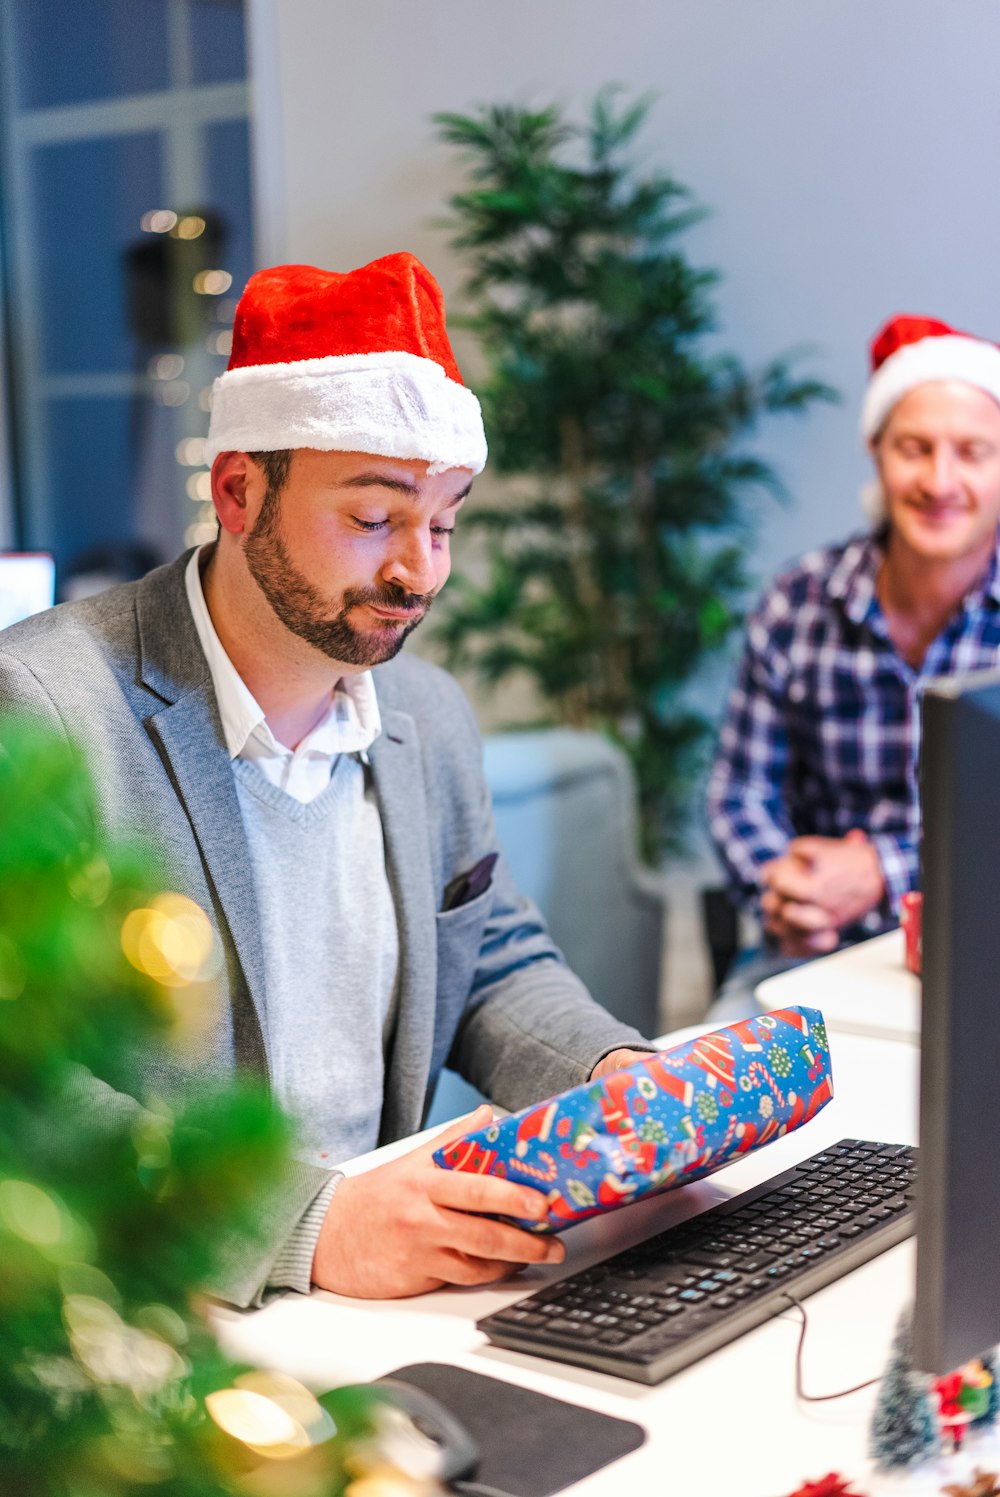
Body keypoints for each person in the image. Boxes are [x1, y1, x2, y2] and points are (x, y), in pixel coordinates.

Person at [0, 253, 652, 1306]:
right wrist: (305, 1226)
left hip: (378, 1289)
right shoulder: (46, 706)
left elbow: (487, 961)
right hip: (148, 1303)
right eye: (372, 518)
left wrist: (613, 1080)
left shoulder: (425, 715)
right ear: (238, 491)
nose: (419, 572)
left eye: (443, 522)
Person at [708, 314, 1000, 1002]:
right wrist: (785, 890)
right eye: (914, 448)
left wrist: (881, 872)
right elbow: (739, 791)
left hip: (982, 951)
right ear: (876, 452)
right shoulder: (798, 602)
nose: (940, 479)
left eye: (972, 451)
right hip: (809, 952)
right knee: (717, 1073)